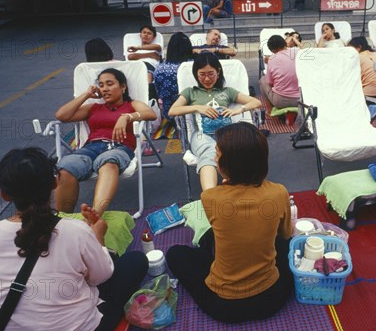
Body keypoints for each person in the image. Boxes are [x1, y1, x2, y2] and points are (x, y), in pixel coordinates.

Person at [0, 147, 148, 331]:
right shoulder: (75, 230)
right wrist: (98, 236)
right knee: (136, 261)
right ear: (55, 183)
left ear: (4, 195)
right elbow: (102, 277)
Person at [165, 122, 293, 323]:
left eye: (217, 155)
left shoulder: (211, 198)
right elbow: (285, 235)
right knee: (285, 245)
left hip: (225, 305)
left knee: (176, 253)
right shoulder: (279, 192)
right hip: (271, 298)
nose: (215, 160)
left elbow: (228, 223)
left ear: (229, 164)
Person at [54, 68, 157, 215]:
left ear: (123, 87)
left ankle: (95, 215)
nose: (105, 89)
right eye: (101, 85)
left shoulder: (132, 105)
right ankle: (61, 219)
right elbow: (61, 115)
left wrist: (126, 117)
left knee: (109, 162)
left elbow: (150, 114)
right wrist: (86, 95)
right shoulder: (94, 108)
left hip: (119, 147)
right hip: (90, 148)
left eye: (109, 84)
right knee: (65, 169)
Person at [168, 53, 261, 190]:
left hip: (226, 133)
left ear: (218, 72)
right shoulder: (190, 93)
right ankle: (210, 197)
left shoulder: (227, 92)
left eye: (211, 74)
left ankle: (238, 193)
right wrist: (197, 107)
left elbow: (256, 102)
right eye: (202, 74)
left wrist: (239, 110)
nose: (206, 78)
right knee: (210, 151)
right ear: (196, 74)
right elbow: (172, 111)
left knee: (235, 149)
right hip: (202, 135)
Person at [154, 32, 194, 119]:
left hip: (169, 115)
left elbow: (159, 93)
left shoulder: (159, 69)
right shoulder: (195, 66)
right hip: (193, 113)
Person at [260, 35, 300, 108]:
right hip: (300, 100)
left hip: (281, 101)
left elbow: (270, 82)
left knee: (263, 80)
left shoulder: (271, 59)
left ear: (272, 50)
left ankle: (268, 109)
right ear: (284, 43)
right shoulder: (297, 51)